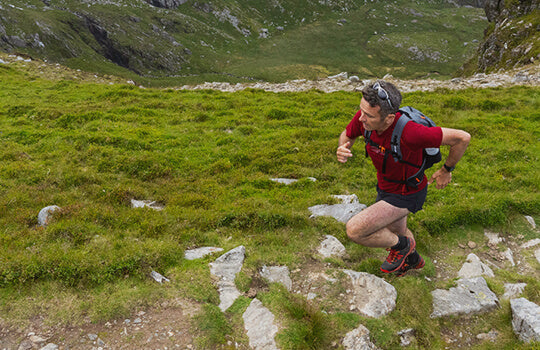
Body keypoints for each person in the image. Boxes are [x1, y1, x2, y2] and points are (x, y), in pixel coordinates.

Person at [336, 80, 470, 276]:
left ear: (389, 118)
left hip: (408, 193)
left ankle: (404, 246)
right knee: (397, 230)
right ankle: (413, 260)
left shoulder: (411, 133)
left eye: (369, 115)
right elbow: (347, 134)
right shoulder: (364, 118)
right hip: (385, 185)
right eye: (361, 111)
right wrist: (343, 147)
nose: (361, 119)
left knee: (355, 230)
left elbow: (462, 137)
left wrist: (446, 170)